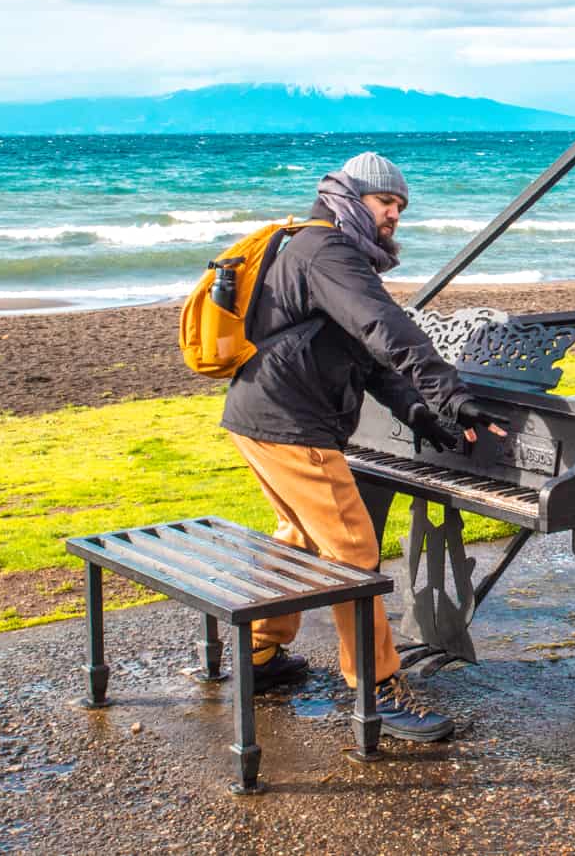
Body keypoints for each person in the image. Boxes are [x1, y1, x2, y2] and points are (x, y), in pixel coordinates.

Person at [221, 150, 506, 742]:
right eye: (385, 203)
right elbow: (389, 331)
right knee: (353, 550)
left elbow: (368, 357)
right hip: (289, 423)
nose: (393, 216)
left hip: (261, 414)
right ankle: (377, 689)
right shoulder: (328, 250)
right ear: (347, 197)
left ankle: (259, 654)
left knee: (299, 538)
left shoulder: (310, 248)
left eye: (399, 207)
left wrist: (421, 412)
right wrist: (453, 394)